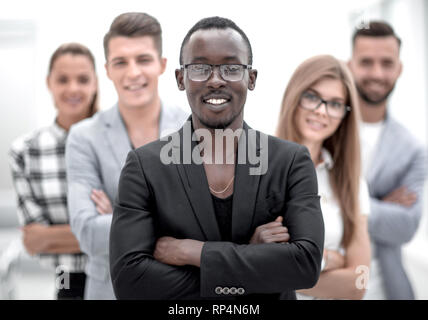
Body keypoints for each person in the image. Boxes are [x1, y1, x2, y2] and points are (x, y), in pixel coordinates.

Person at [109, 16, 324, 300]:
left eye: (231, 68)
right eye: (199, 68)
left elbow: (305, 266)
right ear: (181, 78)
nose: (215, 80)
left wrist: (192, 252)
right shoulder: (145, 167)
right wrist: (252, 256)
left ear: (251, 78)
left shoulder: (290, 162)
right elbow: (130, 281)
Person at [66, 12, 188, 300]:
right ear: (108, 69)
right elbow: (87, 232)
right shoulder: (84, 137)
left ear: (162, 65)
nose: (133, 72)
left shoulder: (192, 131)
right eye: (121, 62)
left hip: (180, 294)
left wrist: (120, 216)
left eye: (143, 59)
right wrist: (169, 220)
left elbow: (209, 229)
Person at [276, 55, 371, 299]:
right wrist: (329, 260)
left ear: (344, 114)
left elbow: (358, 283)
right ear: (294, 97)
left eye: (335, 104)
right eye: (311, 97)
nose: (321, 111)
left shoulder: (352, 184)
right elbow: (243, 269)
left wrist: (283, 269)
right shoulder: (259, 167)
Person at [9, 43, 99, 299]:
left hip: (121, 278)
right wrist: (106, 233)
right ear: (49, 83)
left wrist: (55, 236)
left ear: (94, 83)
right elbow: (34, 241)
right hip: (67, 281)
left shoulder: (117, 140)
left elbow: (133, 230)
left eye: (82, 79)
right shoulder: (25, 151)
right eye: (63, 80)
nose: (73, 88)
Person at [347, 21, 426, 300]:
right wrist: (377, 206)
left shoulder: (412, 149)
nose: (377, 73)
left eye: (387, 63)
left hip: (386, 290)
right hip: (323, 285)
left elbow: (406, 226)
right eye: (366, 62)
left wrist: (339, 204)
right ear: (349, 66)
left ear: (399, 68)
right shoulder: (323, 130)